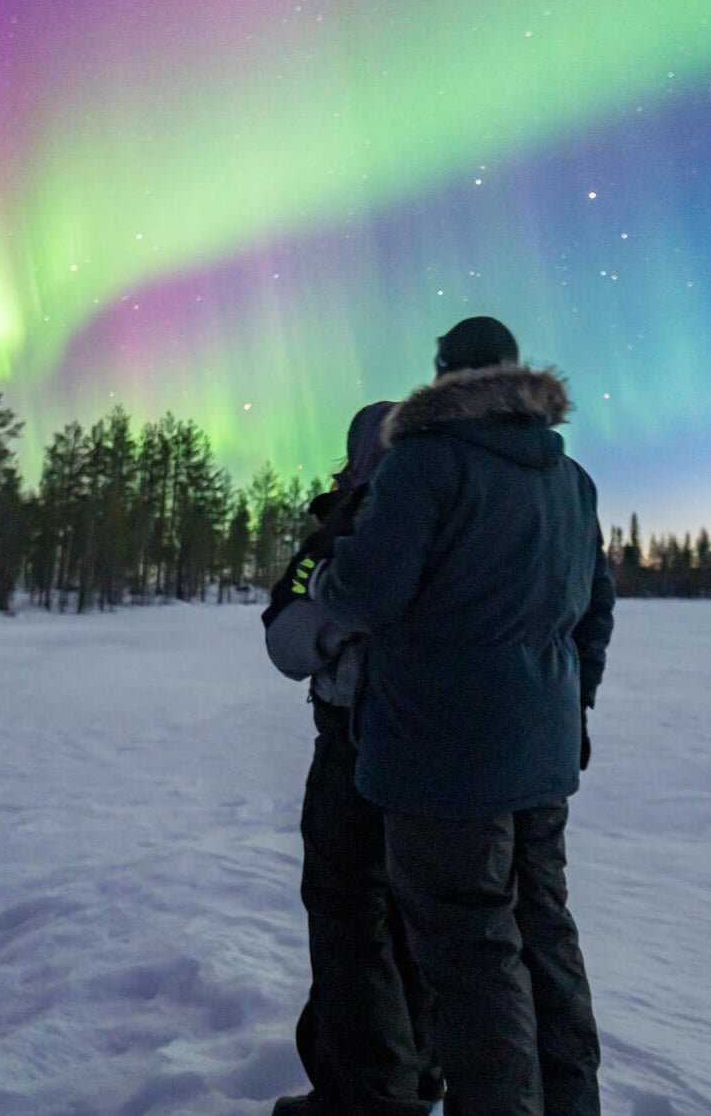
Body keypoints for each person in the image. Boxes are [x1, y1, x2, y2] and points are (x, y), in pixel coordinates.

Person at [297, 317, 615, 1116]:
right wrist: (571, 704)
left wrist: (326, 578)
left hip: (440, 755)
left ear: (442, 378)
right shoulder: (569, 478)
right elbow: (593, 616)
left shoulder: (425, 463)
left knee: (470, 951)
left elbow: (367, 591)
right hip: (540, 752)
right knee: (543, 932)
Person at [263, 403, 442, 1116]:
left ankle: (371, 1093)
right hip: (444, 753)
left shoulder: (359, 523)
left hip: (359, 740)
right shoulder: (454, 518)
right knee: (409, 919)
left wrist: (327, 627)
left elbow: (289, 633)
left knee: (349, 914)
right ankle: (412, 1073)